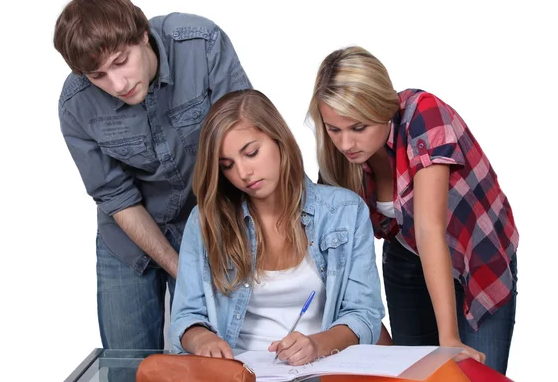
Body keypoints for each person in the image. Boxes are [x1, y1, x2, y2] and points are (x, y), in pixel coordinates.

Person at [53, 0, 251, 351]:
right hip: (128, 237)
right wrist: (181, 270)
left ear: (143, 34)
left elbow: (246, 141)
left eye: (121, 61)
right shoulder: (74, 105)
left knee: (216, 359)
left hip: (207, 223)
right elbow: (118, 198)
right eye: (98, 75)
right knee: (130, 364)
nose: (118, 85)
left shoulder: (201, 44)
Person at [307, 46, 518, 374]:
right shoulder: (335, 160)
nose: (345, 143)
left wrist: (448, 338)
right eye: (334, 129)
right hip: (407, 258)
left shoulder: (423, 113)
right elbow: (336, 258)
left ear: (384, 107)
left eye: (358, 128)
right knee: (418, 374)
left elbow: (429, 227)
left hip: (477, 258)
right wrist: (371, 338)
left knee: (471, 374)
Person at [169, 89, 384, 365]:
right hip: (238, 372)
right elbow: (186, 317)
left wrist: (316, 345)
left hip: (320, 370)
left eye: (251, 153)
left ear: (278, 139)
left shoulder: (345, 212)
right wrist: (201, 339)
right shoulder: (206, 222)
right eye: (227, 166)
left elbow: (364, 315)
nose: (243, 174)